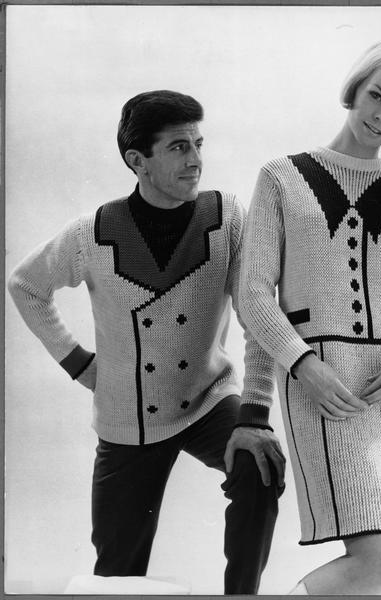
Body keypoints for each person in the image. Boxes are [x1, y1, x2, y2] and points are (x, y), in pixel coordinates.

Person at [8, 89, 285, 595]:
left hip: (209, 400)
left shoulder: (227, 217)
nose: (196, 160)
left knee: (261, 465)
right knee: (116, 576)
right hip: (127, 421)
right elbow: (25, 285)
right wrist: (80, 364)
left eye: (199, 143)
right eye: (179, 147)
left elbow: (260, 315)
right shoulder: (91, 234)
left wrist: (254, 415)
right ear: (138, 161)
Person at [239, 41, 381, 595]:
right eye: (377, 95)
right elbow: (254, 295)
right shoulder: (282, 178)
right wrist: (303, 365)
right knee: (379, 562)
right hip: (324, 387)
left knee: (380, 570)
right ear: (356, 88)